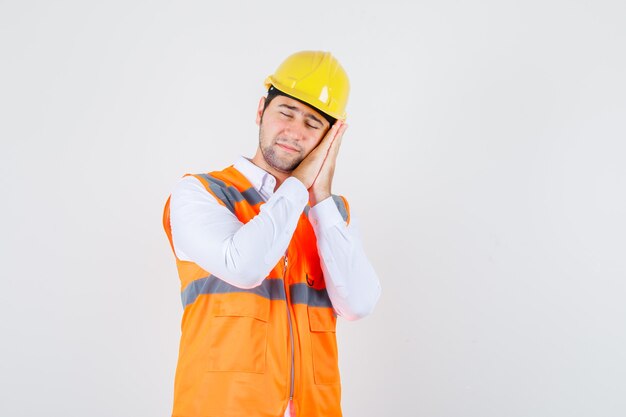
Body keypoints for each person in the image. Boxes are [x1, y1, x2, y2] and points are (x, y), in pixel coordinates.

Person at [162, 50, 381, 417]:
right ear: (261, 110)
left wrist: (321, 199)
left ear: (330, 139)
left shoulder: (332, 214)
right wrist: (298, 186)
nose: (295, 132)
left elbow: (358, 304)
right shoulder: (202, 193)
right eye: (286, 112)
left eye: (313, 124)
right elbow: (244, 266)